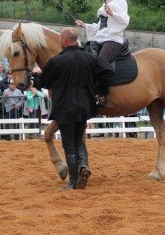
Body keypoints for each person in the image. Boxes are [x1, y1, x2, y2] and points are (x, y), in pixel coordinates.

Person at [39, 27, 114, 190]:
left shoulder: (57, 61)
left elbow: (43, 82)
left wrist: (36, 76)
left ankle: (73, 181)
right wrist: (97, 88)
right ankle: (84, 166)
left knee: (69, 145)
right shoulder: (89, 58)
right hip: (84, 107)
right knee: (79, 140)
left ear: (64, 40)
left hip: (65, 109)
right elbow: (108, 70)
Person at [75, 0, 129, 105]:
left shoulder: (121, 1)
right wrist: (85, 25)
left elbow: (125, 20)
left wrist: (112, 13)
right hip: (101, 38)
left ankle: (102, 95)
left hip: (113, 39)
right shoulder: (105, 3)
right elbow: (100, 26)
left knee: (100, 63)